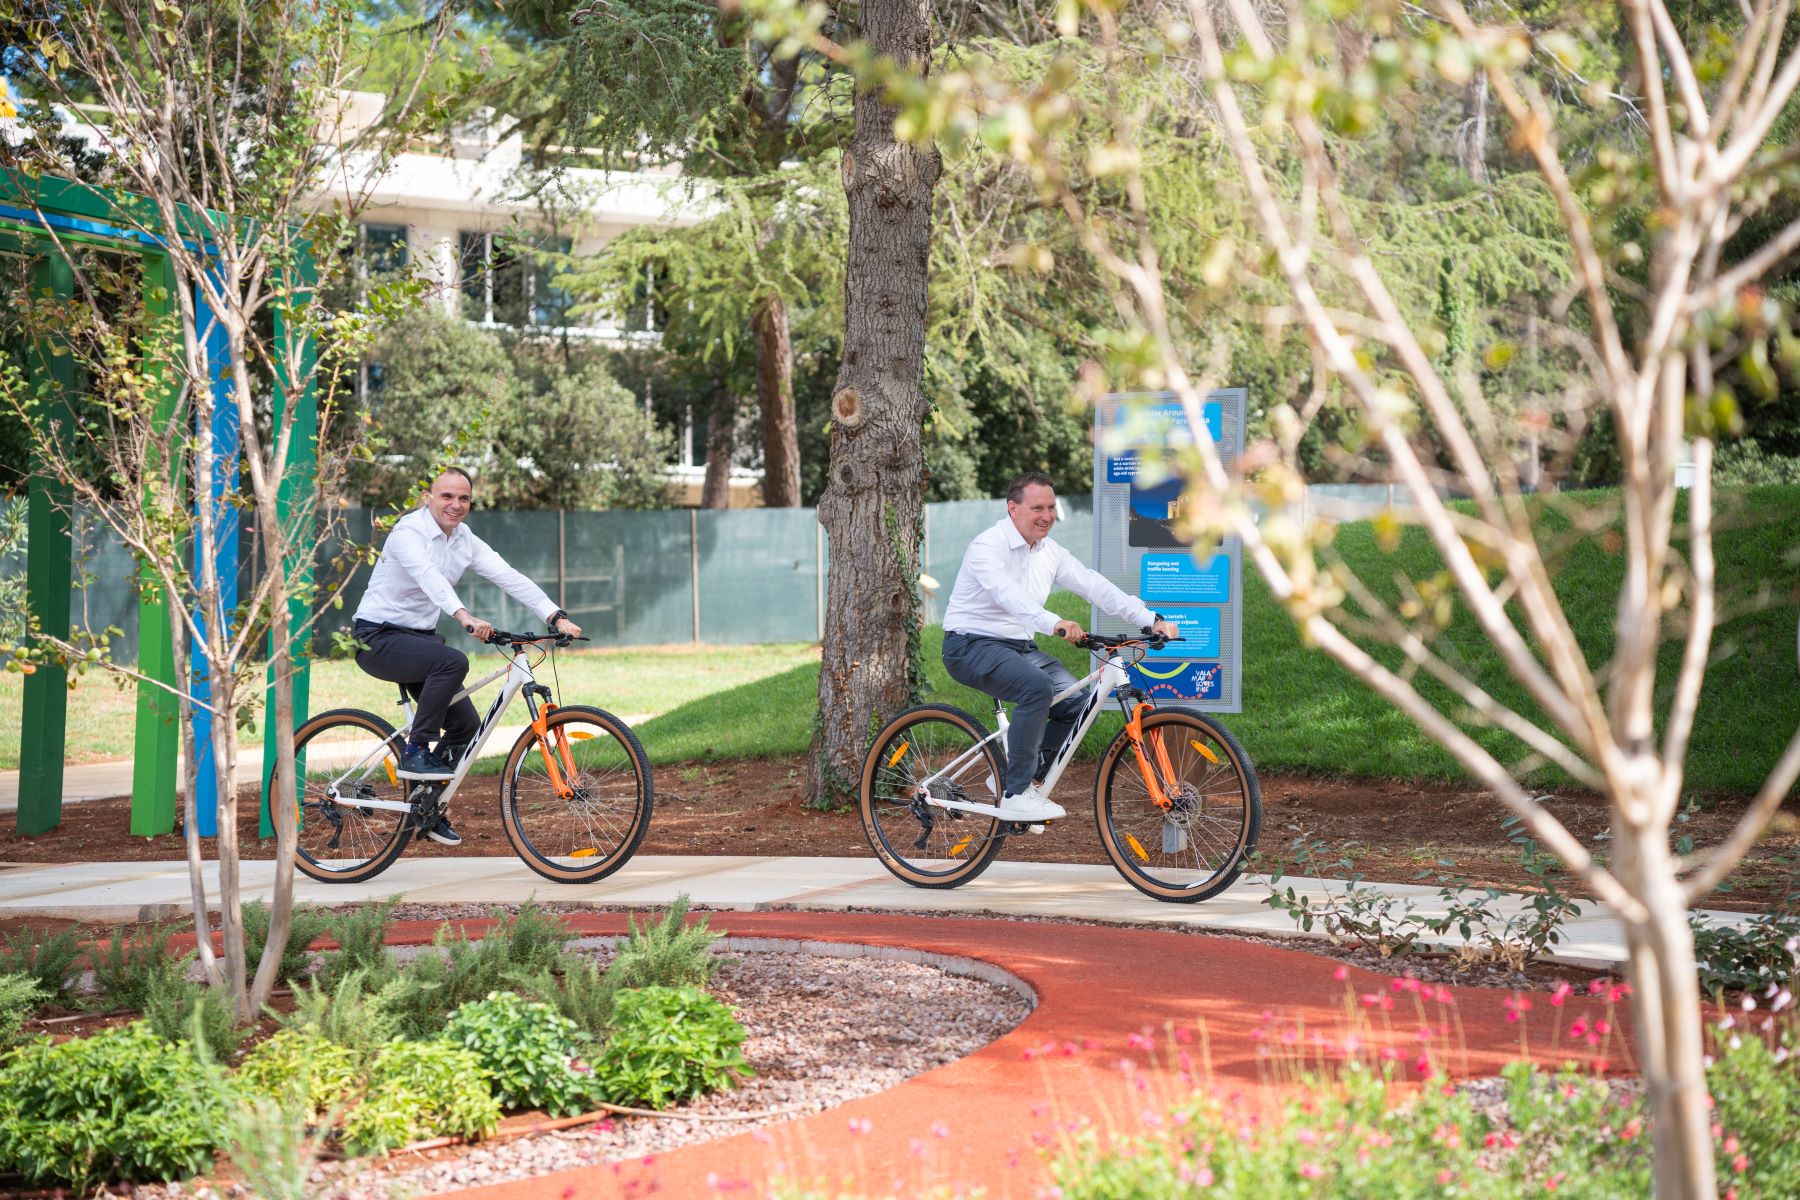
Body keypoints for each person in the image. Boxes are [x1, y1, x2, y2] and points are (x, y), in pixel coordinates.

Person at [351, 467, 581, 846]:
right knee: (452, 660)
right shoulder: (407, 533)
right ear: (428, 496)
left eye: (464, 499)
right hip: (376, 636)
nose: (456, 505)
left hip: (419, 640)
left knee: (465, 727)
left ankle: (426, 805)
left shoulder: (463, 539)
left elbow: (509, 576)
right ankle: (415, 751)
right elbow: (429, 578)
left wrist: (555, 615)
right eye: (446, 496)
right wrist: (464, 616)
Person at [941, 471, 1178, 824]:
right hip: (970, 644)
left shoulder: (1048, 551)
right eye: (1037, 507)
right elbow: (1009, 595)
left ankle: (1010, 776)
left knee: (1076, 702)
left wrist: (1149, 618)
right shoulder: (987, 547)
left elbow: (1093, 585)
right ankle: (1016, 794)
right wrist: (1055, 623)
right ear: (1012, 509)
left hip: (1018, 646)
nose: (1047, 515)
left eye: (1051, 507)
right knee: (1036, 687)